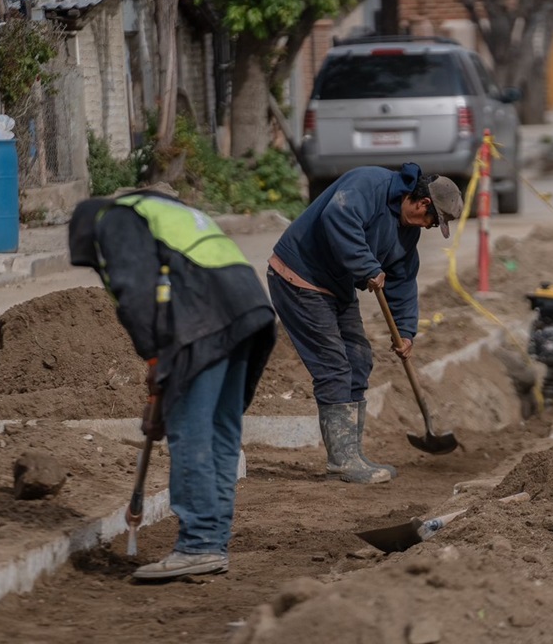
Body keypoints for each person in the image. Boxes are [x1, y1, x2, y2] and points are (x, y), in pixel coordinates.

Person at [68, 189, 276, 581]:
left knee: (192, 432)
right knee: (220, 431)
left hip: (204, 319)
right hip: (247, 309)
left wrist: (156, 364)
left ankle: (198, 545)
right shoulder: (156, 211)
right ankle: (212, 544)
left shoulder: (113, 221)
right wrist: (160, 374)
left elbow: (136, 297)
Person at [267, 163, 464, 484]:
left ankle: (352, 454)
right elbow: (338, 218)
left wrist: (405, 331)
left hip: (335, 285)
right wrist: (366, 265)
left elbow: (402, 280)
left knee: (358, 358)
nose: (428, 228)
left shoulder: (405, 231)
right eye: (432, 221)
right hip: (298, 276)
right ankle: (342, 462)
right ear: (423, 204)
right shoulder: (369, 183)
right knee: (333, 367)